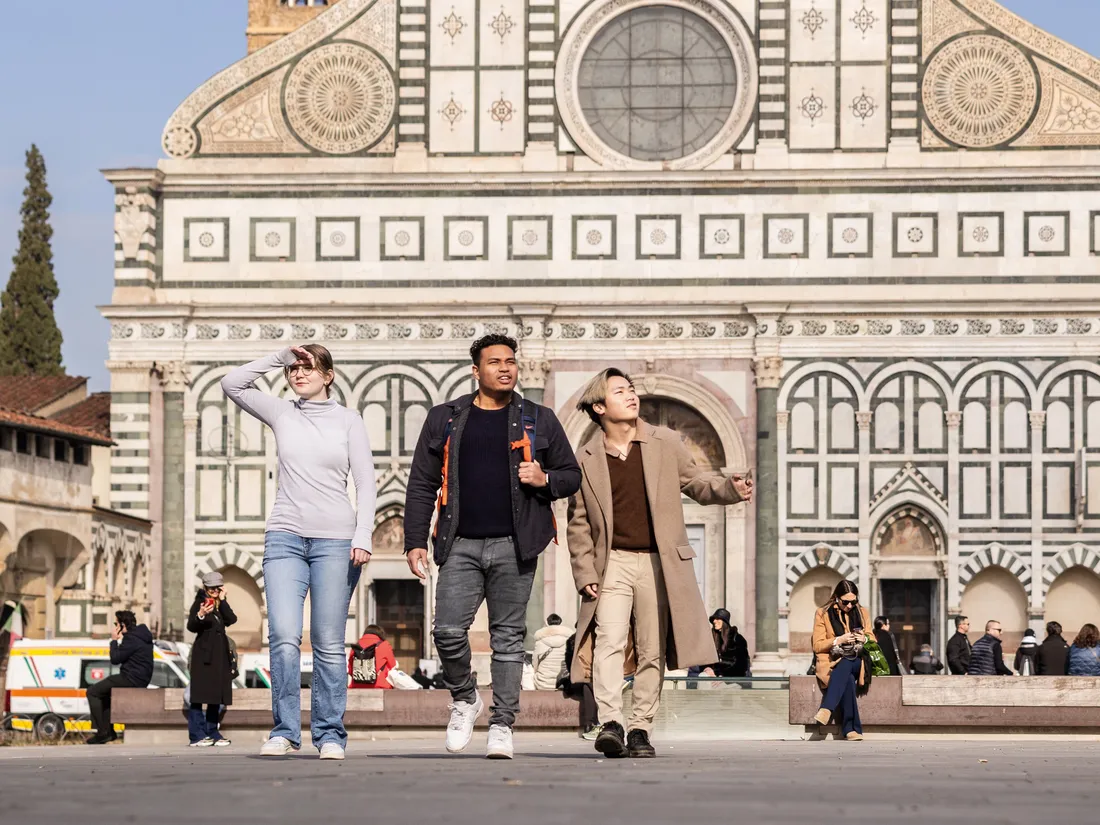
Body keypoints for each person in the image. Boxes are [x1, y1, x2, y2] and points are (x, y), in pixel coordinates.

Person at [404, 334, 581, 760]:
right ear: (476, 370)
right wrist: (414, 541)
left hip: (516, 545)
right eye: (495, 362)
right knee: (446, 630)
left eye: (511, 362)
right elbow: (422, 483)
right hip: (459, 542)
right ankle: (465, 698)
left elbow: (571, 474)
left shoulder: (538, 419)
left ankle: (502, 723)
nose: (505, 368)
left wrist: (545, 480)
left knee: (507, 640)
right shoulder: (445, 418)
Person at [567, 368, 752, 759]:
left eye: (631, 389)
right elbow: (579, 522)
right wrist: (585, 573)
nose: (631, 395)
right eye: (620, 392)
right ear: (600, 406)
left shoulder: (664, 442)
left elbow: (698, 484)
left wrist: (730, 490)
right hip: (611, 562)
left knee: (652, 650)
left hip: (658, 563)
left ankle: (640, 728)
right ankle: (611, 722)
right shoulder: (585, 458)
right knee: (608, 643)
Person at [222, 344, 375, 760]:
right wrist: (278, 356)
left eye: (307, 367)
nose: (298, 374)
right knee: (284, 637)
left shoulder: (349, 421)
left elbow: (365, 480)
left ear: (329, 375)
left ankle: (329, 734)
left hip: (335, 541)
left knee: (327, 642)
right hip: (285, 537)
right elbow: (231, 383)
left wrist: (363, 534)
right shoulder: (282, 413)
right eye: (293, 369)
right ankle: (285, 731)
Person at [811, 580, 875, 741]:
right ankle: (852, 730)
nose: (849, 606)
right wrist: (839, 639)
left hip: (859, 660)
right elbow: (817, 645)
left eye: (853, 602)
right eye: (845, 602)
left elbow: (873, 639)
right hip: (834, 661)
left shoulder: (862, 612)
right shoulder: (822, 613)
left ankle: (826, 708)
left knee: (847, 663)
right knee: (847, 676)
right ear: (836, 598)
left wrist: (864, 639)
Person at [86, 610, 153, 744]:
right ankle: (107, 731)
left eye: (115, 623)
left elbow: (115, 659)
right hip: (138, 679)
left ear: (122, 625)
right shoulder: (141, 636)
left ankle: (103, 732)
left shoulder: (131, 638)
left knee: (92, 692)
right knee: (104, 694)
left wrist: (114, 641)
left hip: (131, 678)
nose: (114, 626)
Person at [186, 572, 237, 747]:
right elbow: (191, 626)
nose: (215, 591)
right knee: (198, 696)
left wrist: (223, 600)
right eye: (212, 588)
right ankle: (196, 735)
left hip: (219, 658)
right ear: (205, 588)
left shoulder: (218, 605)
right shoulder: (200, 602)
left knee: (216, 696)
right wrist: (200, 614)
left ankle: (212, 732)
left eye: (218, 587)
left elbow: (231, 619)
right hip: (203, 657)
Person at [559, 632, 599, 740]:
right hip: (579, 681)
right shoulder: (596, 641)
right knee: (587, 684)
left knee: (588, 685)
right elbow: (571, 667)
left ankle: (589, 725)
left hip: (587, 682)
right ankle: (591, 724)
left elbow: (569, 665)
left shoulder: (573, 640)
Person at [348, 624, 397, 689]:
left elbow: (350, 670)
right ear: (381, 634)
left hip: (357, 686)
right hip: (379, 686)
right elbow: (392, 666)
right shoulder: (385, 645)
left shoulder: (356, 646)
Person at [533, 614, 572, 691]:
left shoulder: (540, 642)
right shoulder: (569, 642)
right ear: (560, 623)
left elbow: (535, 666)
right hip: (563, 684)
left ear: (547, 623)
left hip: (542, 684)